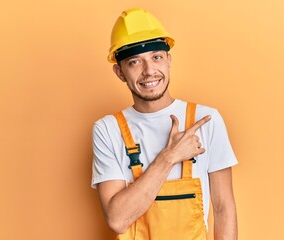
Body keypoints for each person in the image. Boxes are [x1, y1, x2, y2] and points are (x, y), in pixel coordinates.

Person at [91, 7, 238, 240]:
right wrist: (170, 156)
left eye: (156, 57)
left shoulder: (206, 120)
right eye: (135, 62)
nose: (149, 71)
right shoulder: (108, 129)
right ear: (119, 72)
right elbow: (117, 220)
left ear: (169, 60)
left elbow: (223, 208)